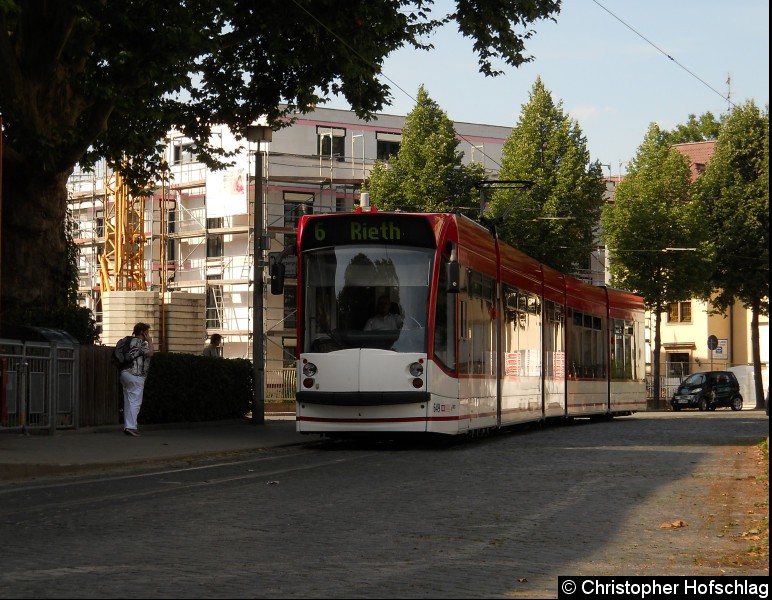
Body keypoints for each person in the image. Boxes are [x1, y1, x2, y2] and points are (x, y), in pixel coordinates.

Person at [120, 322, 154, 437]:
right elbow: (150, 353)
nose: (148, 334)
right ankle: (131, 427)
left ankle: (128, 426)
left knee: (128, 401)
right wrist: (150, 341)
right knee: (135, 402)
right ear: (143, 332)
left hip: (125, 373)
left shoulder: (128, 341)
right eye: (147, 332)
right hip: (136, 374)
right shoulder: (140, 343)